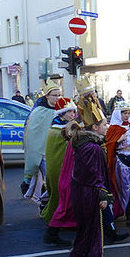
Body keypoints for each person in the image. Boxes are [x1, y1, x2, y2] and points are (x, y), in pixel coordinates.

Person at [68, 119, 112, 257]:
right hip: (90, 193)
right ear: (95, 127)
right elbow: (95, 173)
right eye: (104, 125)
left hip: (80, 191)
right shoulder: (93, 148)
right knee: (92, 229)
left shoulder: (83, 145)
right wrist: (102, 194)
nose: (107, 127)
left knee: (84, 228)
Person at [41, 99, 78, 244]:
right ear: (62, 114)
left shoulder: (68, 126)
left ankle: (62, 225)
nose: (73, 114)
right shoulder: (56, 129)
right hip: (59, 168)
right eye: (69, 111)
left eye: (73, 111)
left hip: (67, 167)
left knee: (66, 198)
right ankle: (52, 229)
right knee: (61, 197)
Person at [105, 104, 130, 224]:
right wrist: (117, 141)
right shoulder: (113, 129)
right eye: (124, 113)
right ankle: (129, 213)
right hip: (122, 161)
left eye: (128, 113)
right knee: (125, 188)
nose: (127, 115)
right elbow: (108, 145)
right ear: (118, 114)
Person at [22, 81, 61, 197]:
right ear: (47, 96)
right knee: (49, 181)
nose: (57, 98)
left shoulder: (60, 110)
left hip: (57, 151)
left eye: (59, 95)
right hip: (43, 153)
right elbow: (33, 134)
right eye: (55, 95)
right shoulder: (38, 112)